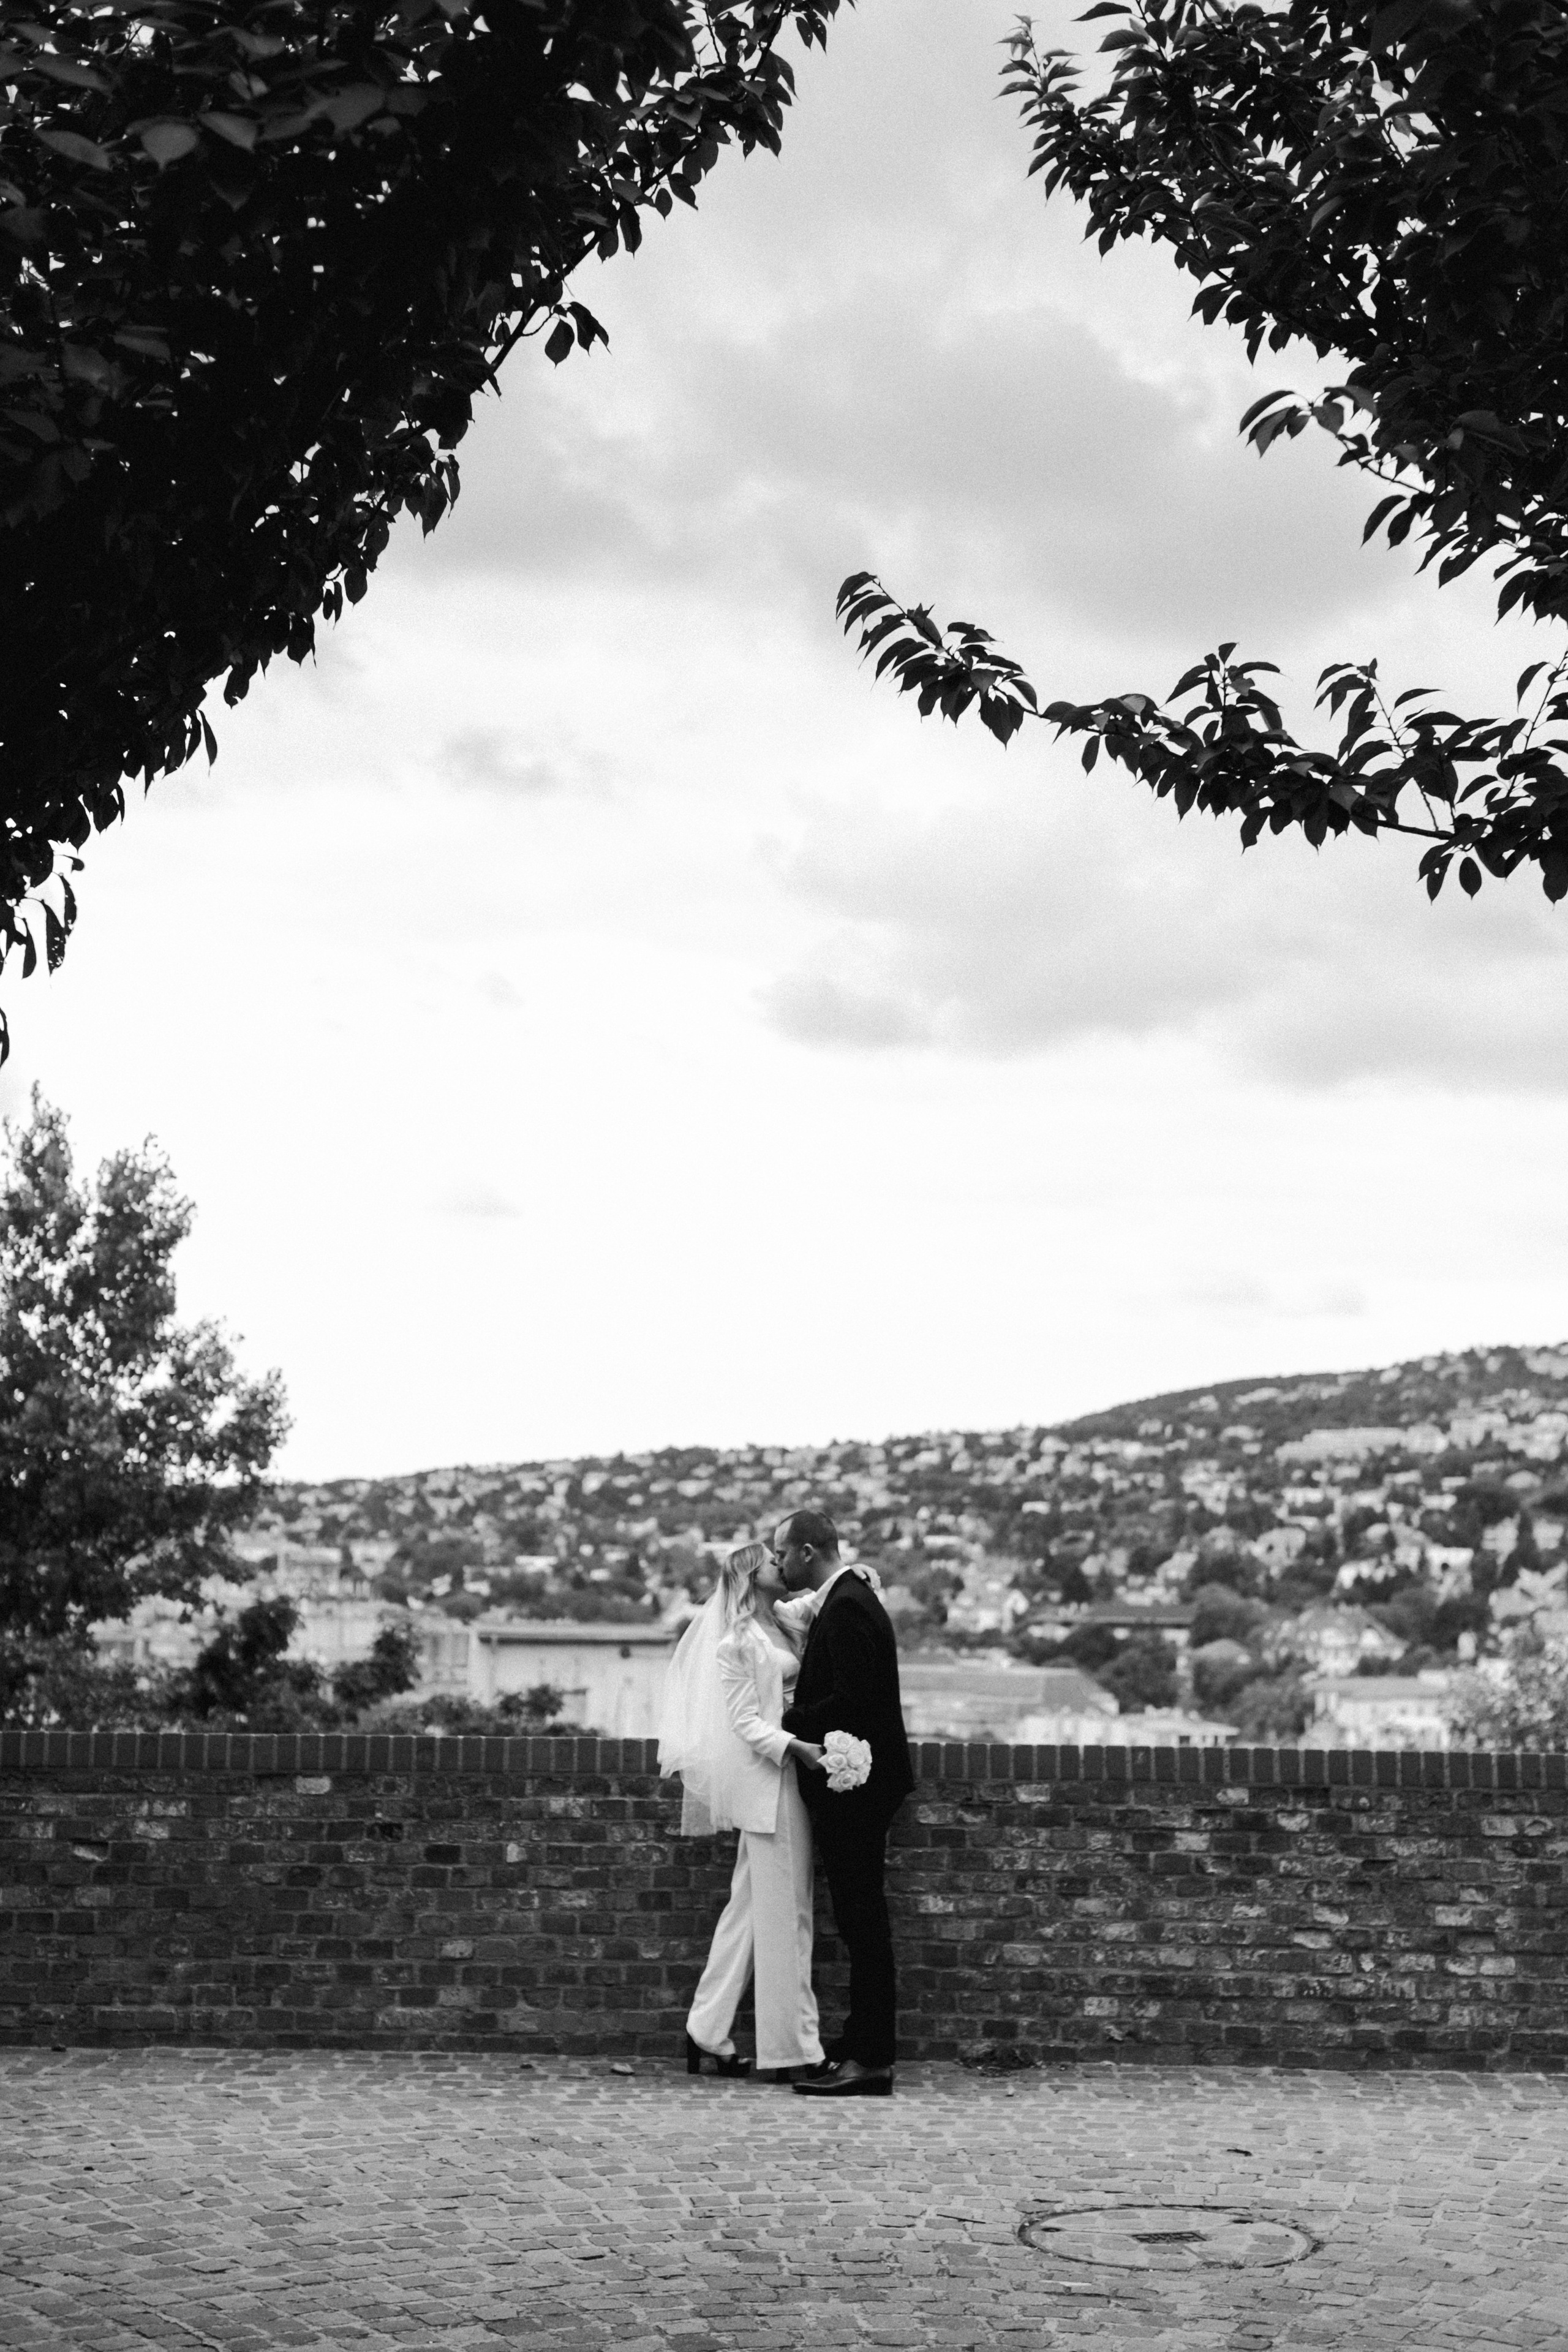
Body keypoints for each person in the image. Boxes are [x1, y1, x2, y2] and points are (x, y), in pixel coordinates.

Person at [657, 1541, 829, 2081]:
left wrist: (855, 1573)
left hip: (782, 1782)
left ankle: (705, 2030)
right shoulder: (735, 1643)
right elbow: (746, 1723)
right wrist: (797, 1747)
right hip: (771, 1786)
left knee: (748, 1915)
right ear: (753, 1577)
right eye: (774, 1562)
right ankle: (793, 2052)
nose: (784, 1565)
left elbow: (822, 1596)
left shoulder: (780, 1617)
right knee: (789, 1921)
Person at [775, 1506, 914, 2097]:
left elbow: (853, 1704)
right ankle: (860, 2045)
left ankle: (873, 2059)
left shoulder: (850, 1607)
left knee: (864, 1924)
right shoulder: (848, 1598)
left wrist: (785, 1717)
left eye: (782, 1552)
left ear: (808, 1552)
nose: (778, 1562)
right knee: (860, 1922)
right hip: (857, 1788)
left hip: (858, 1792)